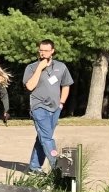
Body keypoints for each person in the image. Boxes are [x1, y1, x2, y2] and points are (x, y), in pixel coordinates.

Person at [23, 39, 73, 172]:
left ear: (52, 51)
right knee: (46, 137)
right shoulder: (32, 67)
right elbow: (30, 86)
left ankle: (34, 167)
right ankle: (57, 168)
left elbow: (66, 85)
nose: (43, 53)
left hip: (55, 107)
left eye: (46, 50)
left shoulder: (61, 67)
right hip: (39, 107)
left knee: (43, 138)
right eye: (41, 50)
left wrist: (61, 103)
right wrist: (40, 68)